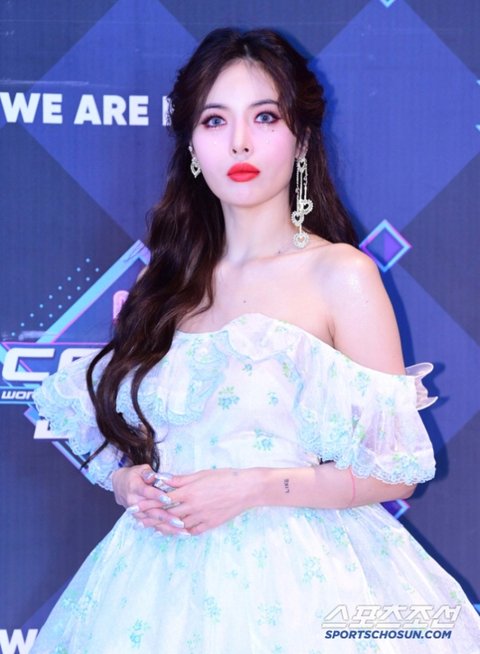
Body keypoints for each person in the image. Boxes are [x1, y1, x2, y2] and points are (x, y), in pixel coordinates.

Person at [31, 28, 480, 653]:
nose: (239, 141)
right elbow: (130, 440)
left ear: (301, 139)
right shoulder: (164, 284)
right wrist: (128, 483)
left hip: (301, 585)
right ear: (192, 146)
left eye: (264, 117)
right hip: (154, 586)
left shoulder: (340, 274)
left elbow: (395, 471)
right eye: (215, 120)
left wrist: (253, 486)